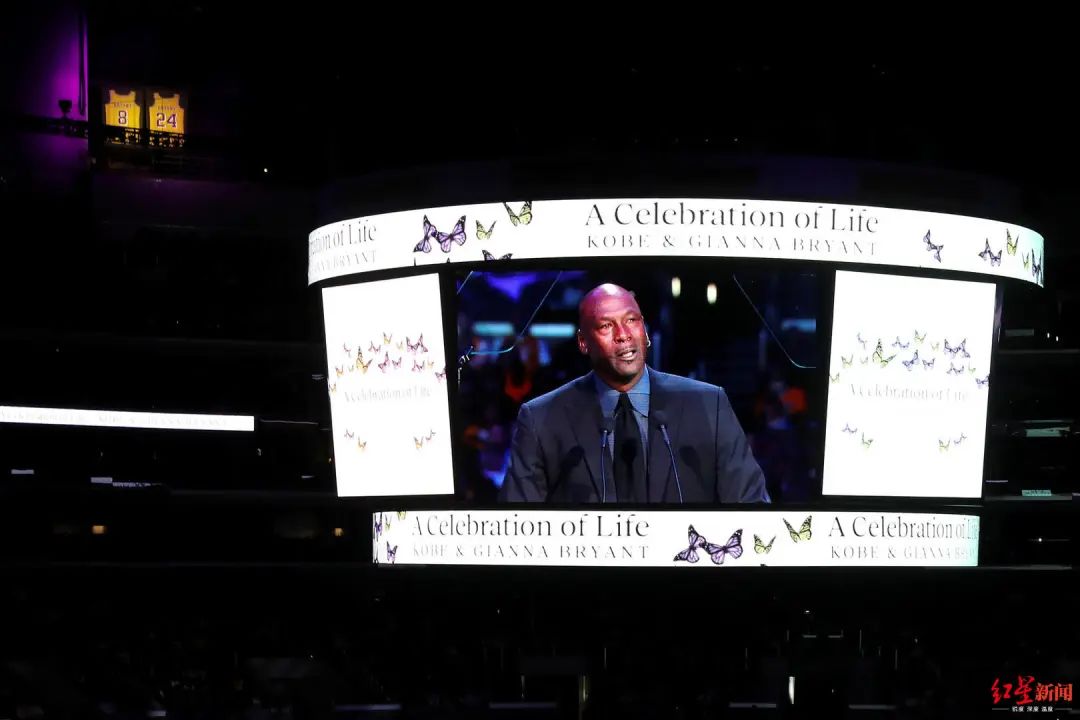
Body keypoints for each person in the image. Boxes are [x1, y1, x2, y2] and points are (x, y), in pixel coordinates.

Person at [498, 283, 769, 504]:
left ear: (645, 332)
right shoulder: (541, 418)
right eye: (606, 326)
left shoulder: (709, 405)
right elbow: (517, 524)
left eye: (631, 320)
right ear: (583, 342)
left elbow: (753, 507)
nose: (623, 335)